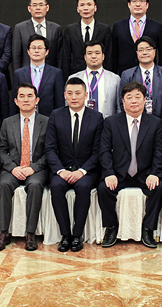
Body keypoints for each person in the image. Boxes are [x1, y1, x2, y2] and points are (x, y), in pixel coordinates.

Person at [98, 82, 162, 249]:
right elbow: (104, 151)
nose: (133, 101)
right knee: (103, 188)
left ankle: (148, 229)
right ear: (122, 101)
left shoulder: (155, 123)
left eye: (137, 97)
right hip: (119, 174)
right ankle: (111, 228)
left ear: (145, 99)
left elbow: (159, 152)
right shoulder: (111, 122)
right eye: (129, 97)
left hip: (145, 174)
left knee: (158, 188)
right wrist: (109, 173)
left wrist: (155, 173)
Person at [45, 77, 104, 252]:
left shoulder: (97, 117)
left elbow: (98, 151)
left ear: (86, 95)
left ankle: (77, 235)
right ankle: (65, 235)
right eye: (69, 93)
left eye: (78, 93)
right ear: (64, 95)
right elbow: (49, 148)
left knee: (83, 187)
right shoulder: (56, 115)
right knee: (56, 187)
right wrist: (60, 170)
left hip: (87, 170)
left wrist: (82, 170)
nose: (74, 97)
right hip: (62, 168)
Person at [0, 83, 49, 252]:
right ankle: (4, 233)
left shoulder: (46, 122)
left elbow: (51, 151)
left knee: (35, 185)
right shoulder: (7, 122)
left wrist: (34, 167)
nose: (26, 100)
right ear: (16, 101)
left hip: (36, 168)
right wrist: (12, 167)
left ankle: (30, 234)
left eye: (30, 96)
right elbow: (1, 149)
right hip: (13, 168)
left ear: (37, 100)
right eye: (22, 96)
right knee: (3, 185)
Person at [119, 37, 162, 119]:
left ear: (154, 51)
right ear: (136, 53)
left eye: (148, 49)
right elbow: (123, 101)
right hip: (136, 121)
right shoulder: (127, 75)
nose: (144, 53)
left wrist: (161, 122)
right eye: (141, 50)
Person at [111, 0, 162, 75]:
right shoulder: (118, 26)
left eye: (141, 1)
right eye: (134, 1)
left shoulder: (157, 27)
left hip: (150, 73)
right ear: (129, 4)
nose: (138, 4)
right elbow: (113, 54)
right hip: (124, 73)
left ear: (147, 5)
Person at [61, 0, 112, 79]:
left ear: (95, 8)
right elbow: (66, 57)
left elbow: (109, 57)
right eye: (82, 5)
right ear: (77, 9)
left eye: (89, 4)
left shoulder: (104, 29)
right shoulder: (70, 30)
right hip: (76, 75)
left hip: (99, 75)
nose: (85, 8)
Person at [11, 34, 63, 116]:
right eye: (33, 48)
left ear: (47, 52)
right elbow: (14, 102)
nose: (36, 51)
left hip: (49, 118)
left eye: (40, 48)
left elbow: (59, 102)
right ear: (28, 51)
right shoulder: (19, 73)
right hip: (25, 118)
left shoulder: (56, 73)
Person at [68, 40, 121, 118]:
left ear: (103, 56)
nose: (93, 56)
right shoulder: (74, 78)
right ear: (85, 57)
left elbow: (119, 107)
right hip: (81, 123)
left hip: (106, 123)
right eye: (89, 53)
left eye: (97, 53)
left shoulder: (114, 79)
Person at [13, 0, 62, 71]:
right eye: (34, 5)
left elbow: (59, 56)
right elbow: (16, 56)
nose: (38, 8)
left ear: (47, 7)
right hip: (27, 73)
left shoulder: (56, 28)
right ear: (29, 8)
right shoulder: (20, 28)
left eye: (41, 5)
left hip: (50, 73)